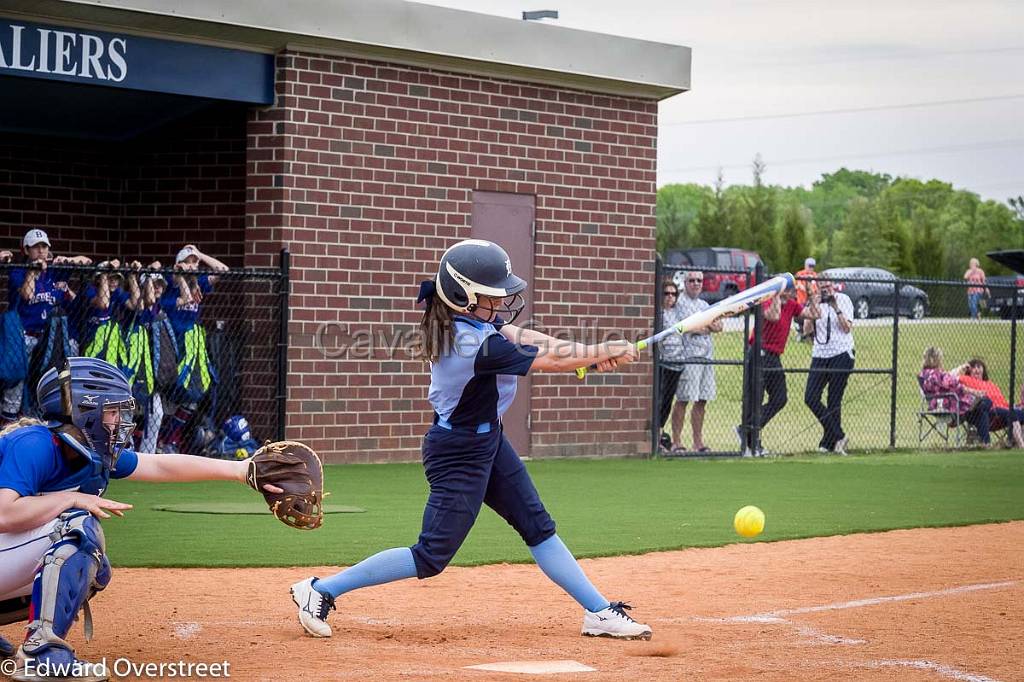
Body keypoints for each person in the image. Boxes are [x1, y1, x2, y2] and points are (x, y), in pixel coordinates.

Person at [289, 239, 651, 642]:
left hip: (488, 441)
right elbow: (549, 359)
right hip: (458, 453)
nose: (498, 304)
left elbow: (527, 336)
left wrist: (589, 353)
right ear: (462, 296)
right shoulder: (472, 343)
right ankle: (320, 590)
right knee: (430, 555)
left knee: (537, 526)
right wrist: (598, 351)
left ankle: (599, 611)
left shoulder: (474, 324)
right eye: (489, 296)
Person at [0, 357, 281, 680]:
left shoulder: (89, 452)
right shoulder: (35, 444)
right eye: (112, 410)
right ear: (82, 410)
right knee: (77, 528)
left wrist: (240, 470)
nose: (121, 420)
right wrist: (70, 498)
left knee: (94, 567)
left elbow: (160, 466)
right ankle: (41, 654)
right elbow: (5, 513)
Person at [2, 229, 91, 425]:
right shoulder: (18, 270)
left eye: (44, 247)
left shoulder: (55, 271)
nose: (41, 251)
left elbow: (86, 261)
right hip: (25, 338)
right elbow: (26, 295)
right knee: (15, 390)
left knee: (46, 386)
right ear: (26, 250)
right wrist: (32, 272)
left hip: (51, 339)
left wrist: (68, 259)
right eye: (36, 247)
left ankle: (40, 424)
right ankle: (7, 430)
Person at [156, 245, 228, 453]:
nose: (193, 265)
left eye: (195, 262)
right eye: (189, 261)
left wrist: (200, 254)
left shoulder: (199, 283)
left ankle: (170, 440)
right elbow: (186, 298)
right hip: (172, 346)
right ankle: (159, 440)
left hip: (191, 350)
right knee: (170, 396)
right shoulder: (170, 286)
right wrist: (181, 276)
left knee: (193, 395)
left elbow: (223, 270)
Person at [740, 281, 820, 456]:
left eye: (791, 289)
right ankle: (751, 441)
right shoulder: (765, 300)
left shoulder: (792, 305)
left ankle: (746, 430)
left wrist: (811, 295)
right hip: (759, 352)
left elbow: (815, 314)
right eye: (787, 289)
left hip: (774, 356)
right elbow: (774, 316)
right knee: (756, 398)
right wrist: (776, 293)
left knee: (780, 398)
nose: (791, 293)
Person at [667, 271, 721, 453]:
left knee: (702, 399)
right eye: (692, 280)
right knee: (683, 398)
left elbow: (719, 326)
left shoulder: (704, 304)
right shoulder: (679, 303)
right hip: (688, 357)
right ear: (685, 282)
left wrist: (703, 327)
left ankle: (698, 443)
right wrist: (704, 327)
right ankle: (676, 441)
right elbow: (685, 328)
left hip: (707, 357)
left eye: (699, 280)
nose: (696, 283)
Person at [803, 277, 855, 454]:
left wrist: (835, 307)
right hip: (820, 354)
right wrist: (813, 305)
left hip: (841, 353)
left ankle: (829, 442)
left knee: (834, 400)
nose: (825, 290)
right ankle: (838, 435)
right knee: (810, 397)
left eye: (828, 287)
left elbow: (847, 328)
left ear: (833, 286)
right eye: (822, 287)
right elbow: (807, 331)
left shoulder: (843, 300)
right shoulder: (815, 301)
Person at [919, 347, 993, 447]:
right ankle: (984, 442)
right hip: (953, 405)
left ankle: (982, 440)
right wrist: (976, 392)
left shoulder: (923, 375)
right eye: (940, 358)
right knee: (986, 402)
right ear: (936, 359)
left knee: (981, 413)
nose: (942, 360)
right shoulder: (937, 374)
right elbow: (956, 385)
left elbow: (946, 382)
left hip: (936, 405)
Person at [956, 358, 1024, 448]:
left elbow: (1003, 401)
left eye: (979, 367)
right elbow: (951, 379)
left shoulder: (991, 384)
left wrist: (1016, 406)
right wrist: (962, 368)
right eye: (973, 367)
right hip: (991, 412)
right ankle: (1021, 446)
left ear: (983, 370)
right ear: (969, 370)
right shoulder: (965, 379)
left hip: (1003, 411)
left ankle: (1015, 443)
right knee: (1010, 413)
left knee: (1018, 413)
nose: (976, 369)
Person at [655, 281, 686, 453]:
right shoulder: (658, 313)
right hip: (663, 362)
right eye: (666, 293)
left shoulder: (678, 313)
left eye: (673, 294)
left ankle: (661, 436)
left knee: (667, 401)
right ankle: (655, 438)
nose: (670, 297)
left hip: (677, 363)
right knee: (659, 399)